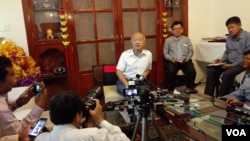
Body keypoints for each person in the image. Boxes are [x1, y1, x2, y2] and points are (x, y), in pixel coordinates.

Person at [35, 91, 130, 141]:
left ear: (51, 116)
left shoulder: (40, 138)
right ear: (77, 116)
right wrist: (100, 120)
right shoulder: (94, 135)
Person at [0, 55, 49, 139]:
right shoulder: (1, 109)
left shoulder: (3, 93)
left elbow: (7, 109)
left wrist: (19, 102)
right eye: (11, 75)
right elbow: (22, 134)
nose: (14, 79)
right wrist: (40, 105)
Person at [204, 16, 250, 97]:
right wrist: (221, 60)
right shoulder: (229, 38)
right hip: (229, 62)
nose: (230, 30)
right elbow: (227, 52)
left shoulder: (247, 37)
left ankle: (221, 98)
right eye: (228, 28)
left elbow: (246, 56)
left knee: (227, 73)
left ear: (240, 25)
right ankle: (207, 96)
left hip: (242, 64)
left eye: (232, 27)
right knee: (211, 70)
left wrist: (231, 65)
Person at [163, 21, 197, 94]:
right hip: (173, 61)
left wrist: (186, 59)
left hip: (185, 60)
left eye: (179, 28)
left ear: (182, 29)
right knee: (171, 70)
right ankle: (171, 89)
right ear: (172, 30)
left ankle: (190, 88)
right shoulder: (168, 40)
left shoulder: (186, 39)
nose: (177, 30)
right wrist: (171, 59)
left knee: (191, 70)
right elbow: (165, 53)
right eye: (175, 29)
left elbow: (191, 51)